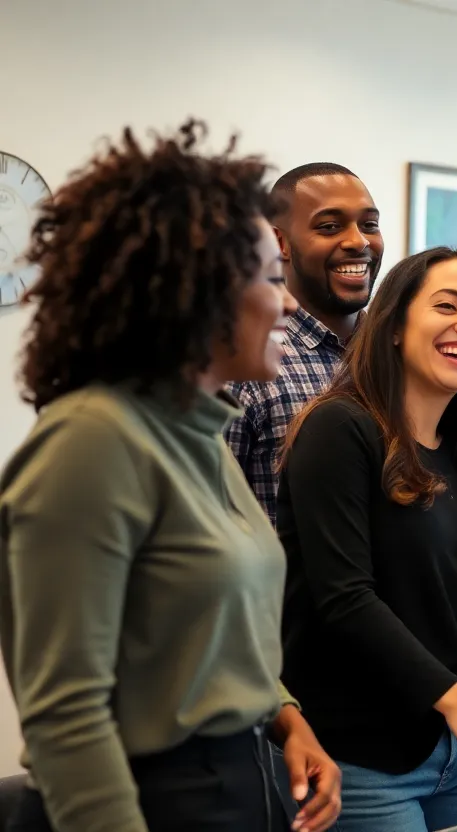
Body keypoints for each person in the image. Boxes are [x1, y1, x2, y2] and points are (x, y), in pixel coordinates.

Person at [0, 121, 341, 832]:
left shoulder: (200, 433)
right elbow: (66, 716)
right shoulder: (93, 440)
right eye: (271, 279)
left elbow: (206, 629)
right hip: (157, 801)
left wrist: (287, 722)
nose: (286, 303)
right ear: (193, 292)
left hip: (248, 781)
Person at [275, 246, 457, 831]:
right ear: (393, 327)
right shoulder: (340, 427)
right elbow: (345, 598)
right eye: (447, 305)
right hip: (365, 758)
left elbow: (453, 584)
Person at [226, 162, 384, 525]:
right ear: (279, 242)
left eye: (369, 225)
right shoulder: (246, 365)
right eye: (329, 227)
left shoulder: (398, 353)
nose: (358, 241)